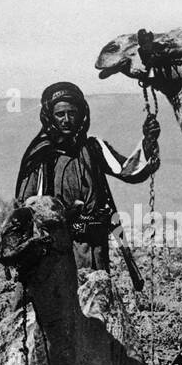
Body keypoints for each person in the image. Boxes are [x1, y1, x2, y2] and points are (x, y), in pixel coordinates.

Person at [14, 81, 160, 273]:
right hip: (55, 247)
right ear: (50, 117)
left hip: (93, 246)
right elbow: (25, 205)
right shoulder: (40, 155)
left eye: (72, 113)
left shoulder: (93, 148)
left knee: (96, 295)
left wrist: (148, 143)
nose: (66, 120)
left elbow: (128, 170)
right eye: (60, 114)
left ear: (81, 115)